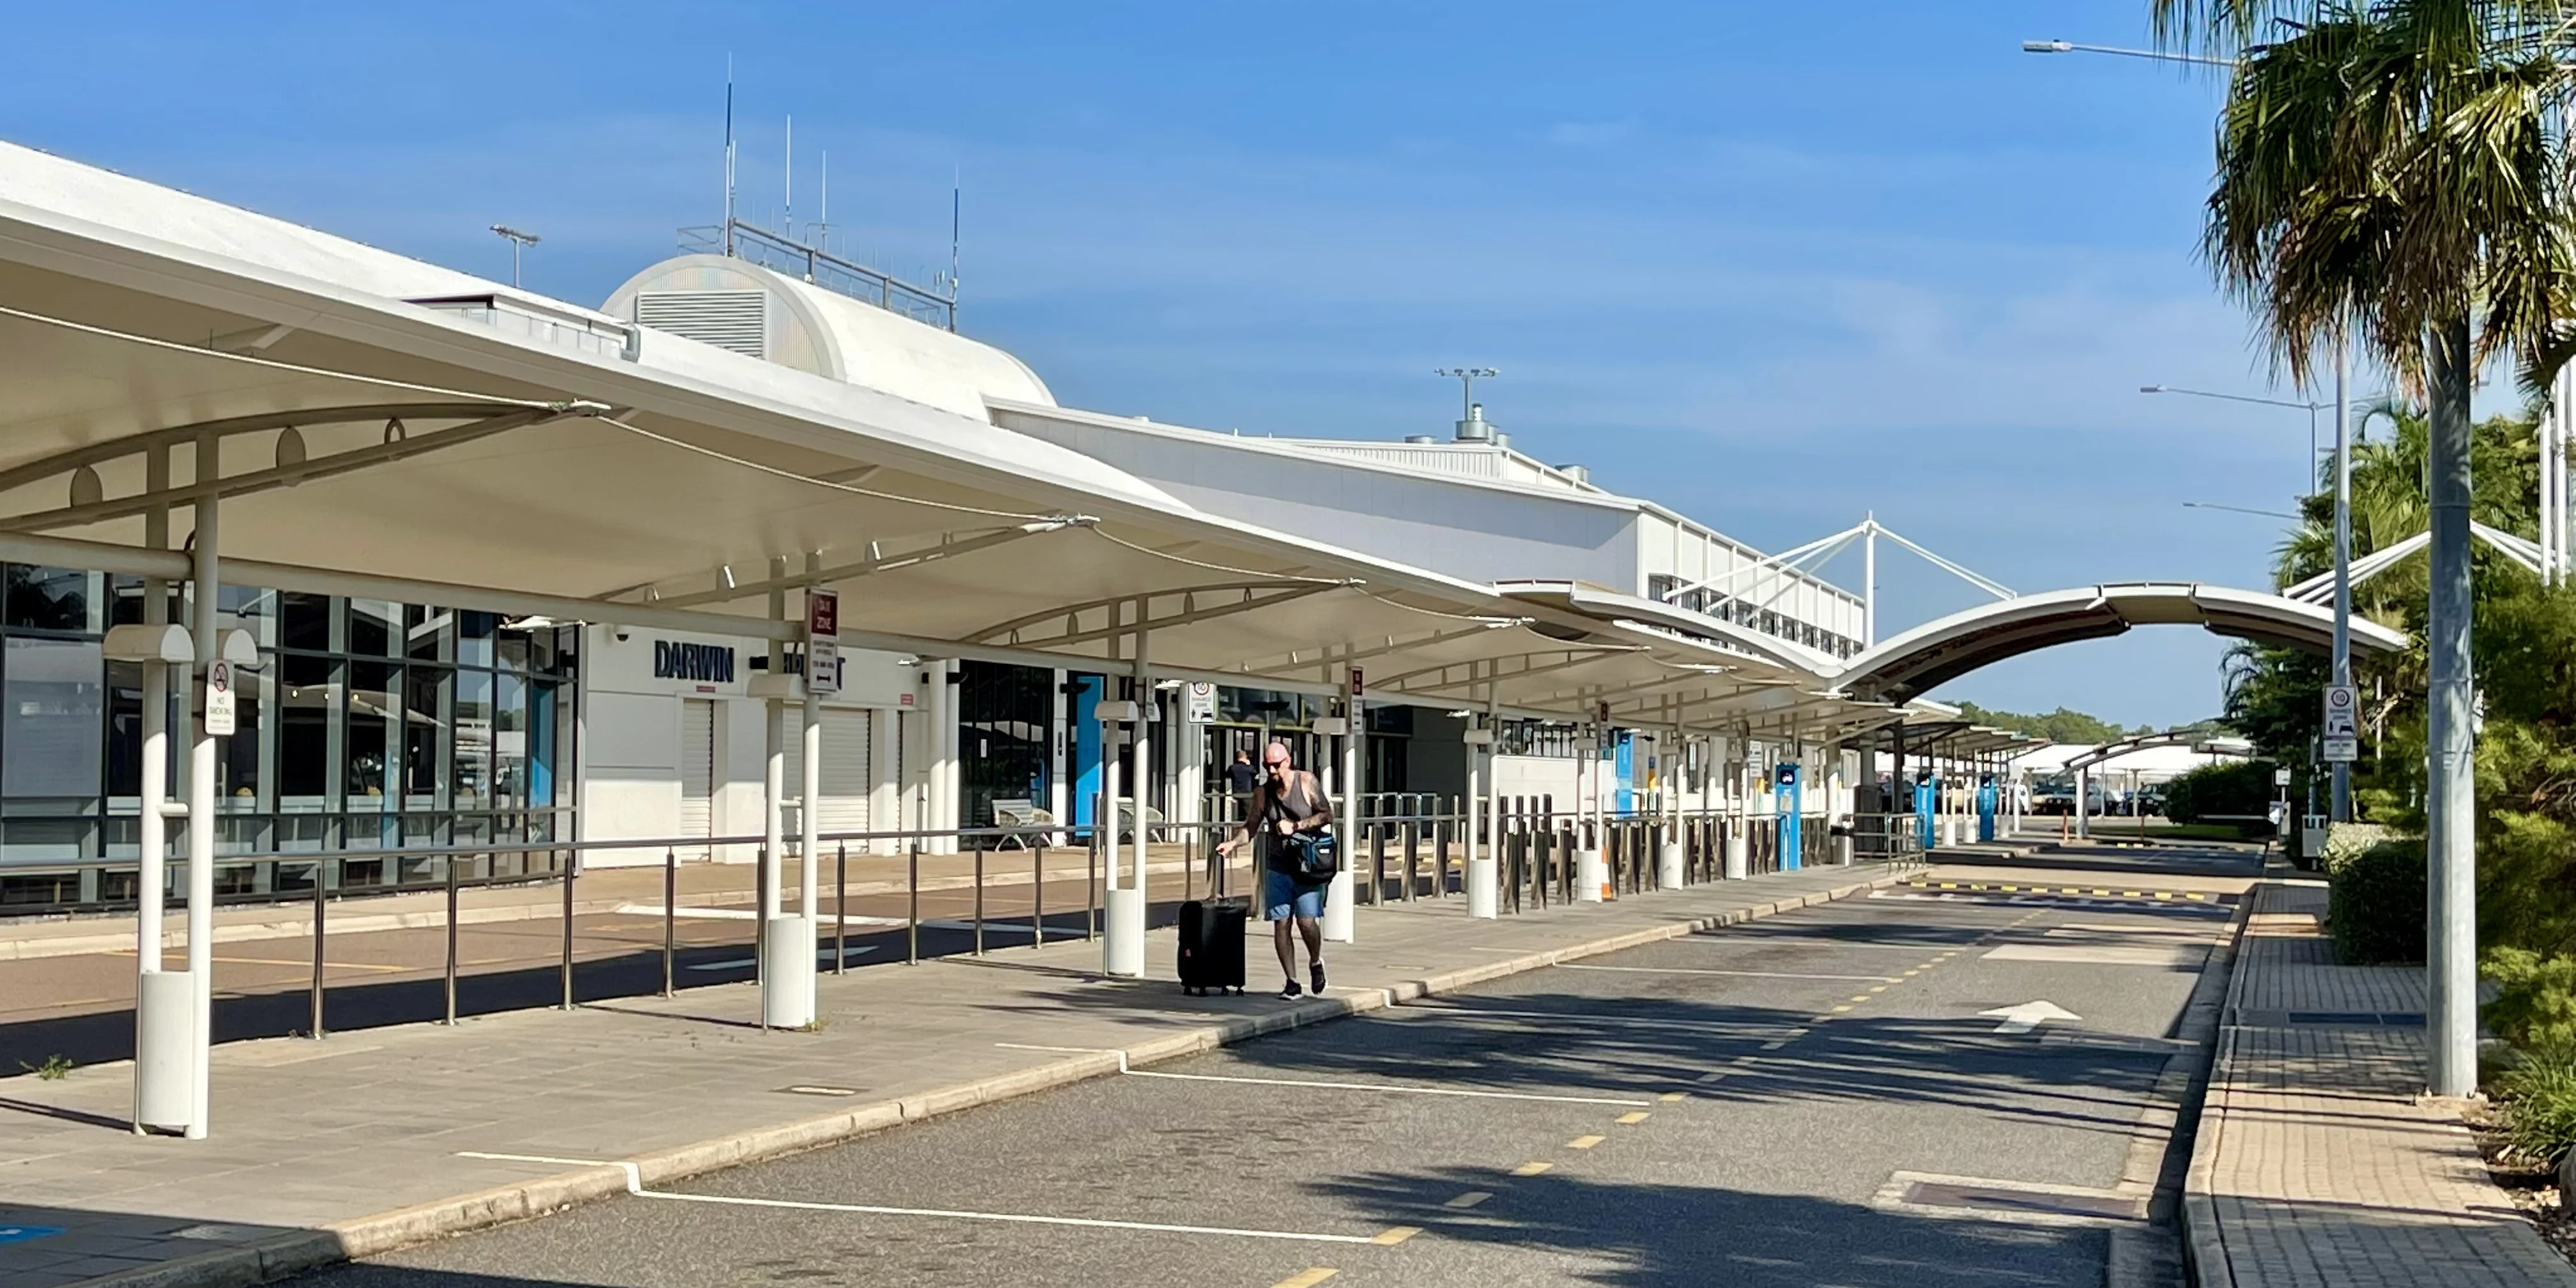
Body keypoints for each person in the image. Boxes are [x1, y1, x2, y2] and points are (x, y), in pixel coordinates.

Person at [1218, 740, 1333, 999]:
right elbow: (1251, 826)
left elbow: (1327, 815)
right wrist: (1233, 843)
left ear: (1288, 761)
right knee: (1282, 923)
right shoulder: (1263, 793)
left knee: (1306, 922)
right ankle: (1291, 981)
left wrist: (1297, 826)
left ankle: (1315, 961)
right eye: (1267, 765)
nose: (1272, 771)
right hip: (1278, 866)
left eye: (1276, 765)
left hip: (1307, 865)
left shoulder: (1306, 782)